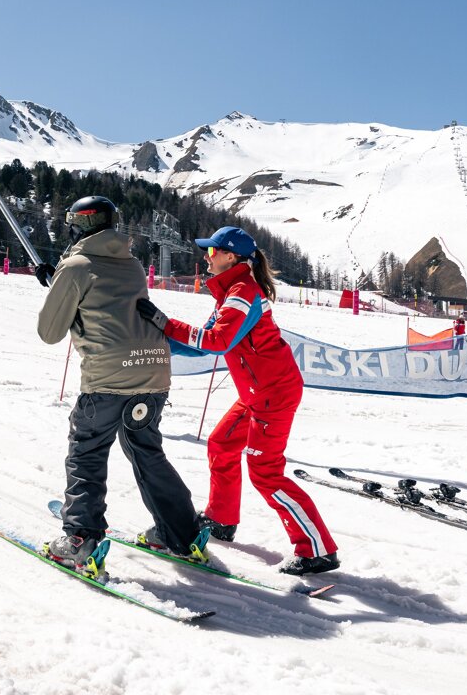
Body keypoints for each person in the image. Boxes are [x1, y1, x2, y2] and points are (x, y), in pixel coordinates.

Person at [136, 226, 340, 577]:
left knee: (267, 473)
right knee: (221, 443)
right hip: (257, 394)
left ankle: (317, 550)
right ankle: (221, 520)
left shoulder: (243, 292)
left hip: (273, 395)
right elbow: (202, 342)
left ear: (230, 256)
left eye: (212, 252)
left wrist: (166, 325)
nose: (206, 257)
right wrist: (156, 334)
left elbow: (217, 340)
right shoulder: (231, 291)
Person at [36, 195, 206, 574]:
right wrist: (60, 284)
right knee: (145, 448)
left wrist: (57, 286)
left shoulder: (75, 264)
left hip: (109, 378)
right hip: (153, 371)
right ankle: (182, 531)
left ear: (79, 225)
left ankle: (80, 537)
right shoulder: (130, 263)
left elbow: (50, 331)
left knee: (88, 450)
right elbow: (106, 299)